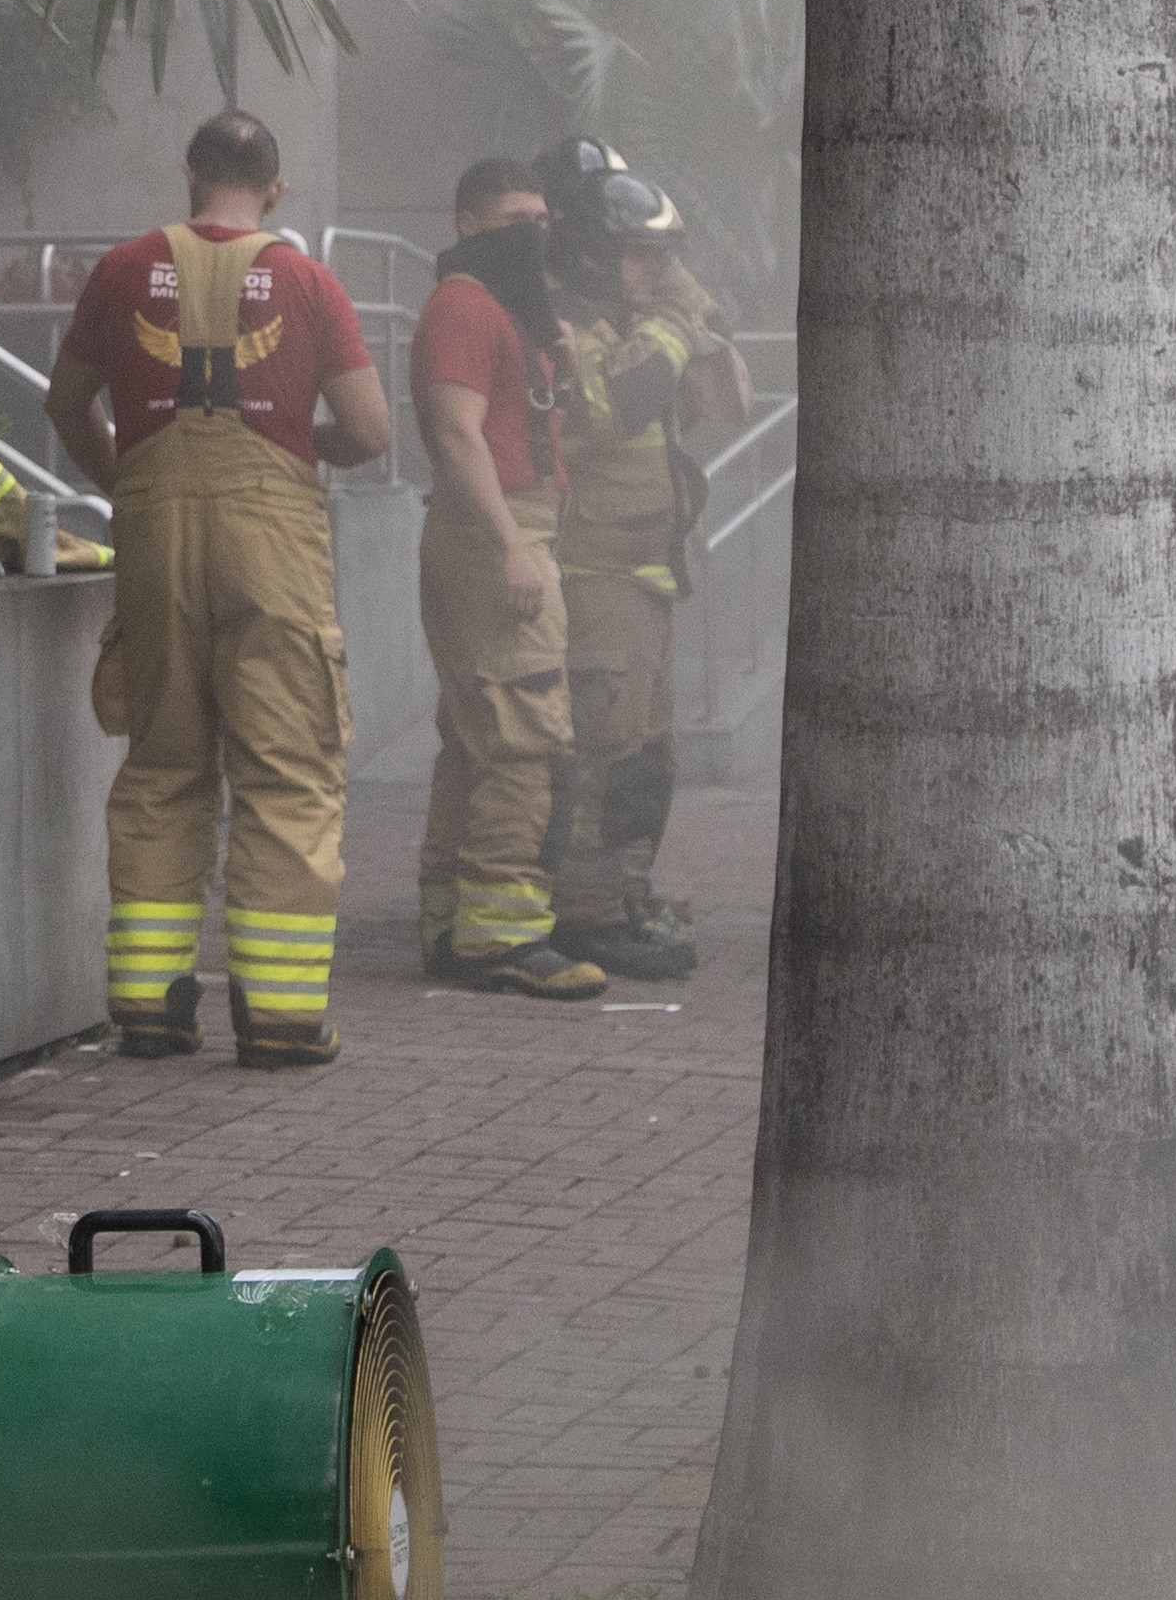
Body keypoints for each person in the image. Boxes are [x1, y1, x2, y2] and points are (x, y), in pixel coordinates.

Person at [43, 109, 393, 1065]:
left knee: (163, 764)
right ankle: (279, 1018)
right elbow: (368, 432)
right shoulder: (309, 281)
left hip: (155, 535)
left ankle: (151, 1011)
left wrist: (126, 479)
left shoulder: (120, 270)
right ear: (274, 189)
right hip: (270, 542)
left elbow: (65, 404)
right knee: (286, 769)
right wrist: (293, 447)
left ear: (190, 172)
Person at [540, 163, 744, 984]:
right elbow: (610, 406)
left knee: (648, 759)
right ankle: (584, 916)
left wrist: (686, 310)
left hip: (647, 574)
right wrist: (669, 327)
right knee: (603, 753)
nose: (655, 274)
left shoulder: (638, 323)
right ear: (591, 254)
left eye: (663, 259)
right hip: (594, 575)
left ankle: (624, 898)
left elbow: (728, 396)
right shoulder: (566, 327)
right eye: (639, 256)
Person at [409, 152, 607, 994]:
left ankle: (455, 924)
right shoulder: (461, 308)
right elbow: (457, 436)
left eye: (540, 221)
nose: (534, 236)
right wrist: (510, 546)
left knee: (476, 736)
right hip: (494, 529)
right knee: (527, 733)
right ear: (467, 226)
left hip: (516, 525)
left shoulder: (506, 309)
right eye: (514, 222)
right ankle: (504, 932)